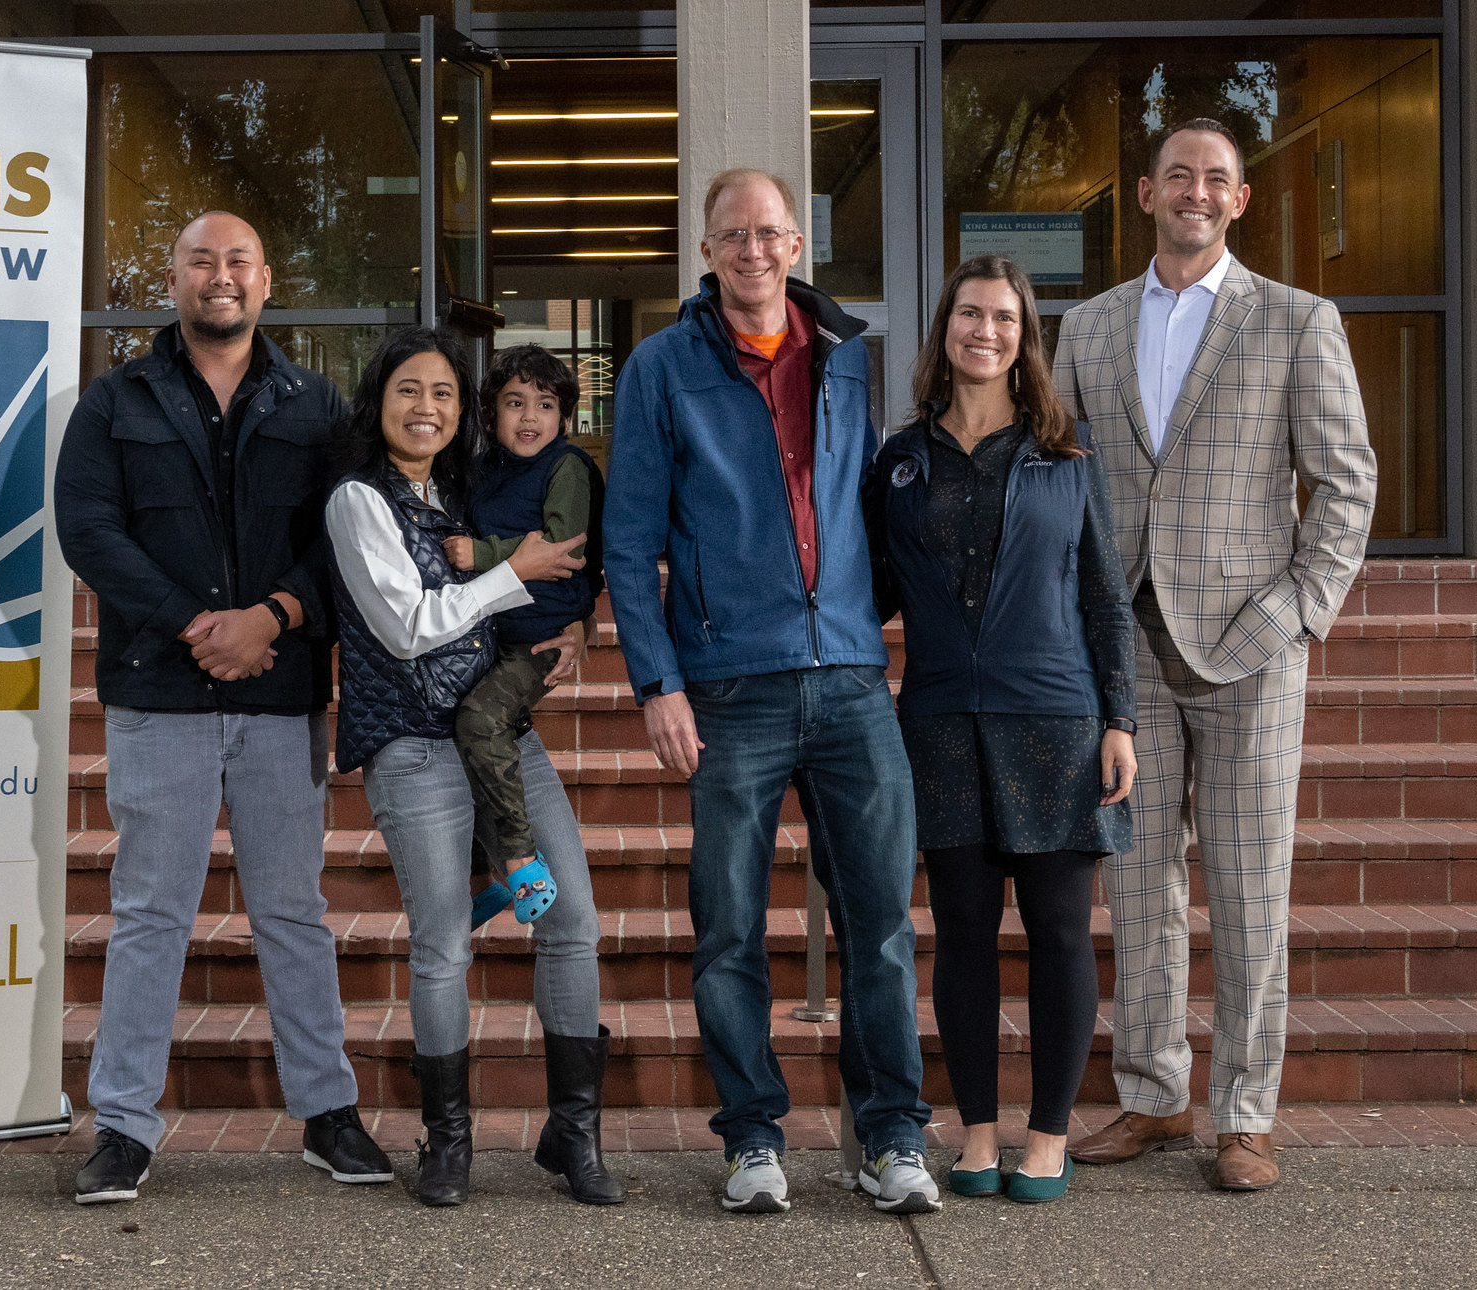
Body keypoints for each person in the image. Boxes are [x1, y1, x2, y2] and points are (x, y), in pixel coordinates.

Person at [605, 167, 939, 1215]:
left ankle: (889, 1138)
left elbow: (862, 506)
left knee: (880, 924)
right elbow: (628, 543)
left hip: (848, 680)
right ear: (704, 252)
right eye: (732, 235)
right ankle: (751, 1139)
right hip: (727, 686)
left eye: (769, 232)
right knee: (728, 933)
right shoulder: (661, 368)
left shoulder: (844, 358)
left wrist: (872, 619)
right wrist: (657, 682)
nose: (752, 250)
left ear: (797, 245)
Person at [1053, 119, 1377, 1191]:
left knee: (1246, 887)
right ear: (1146, 193)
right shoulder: (1087, 327)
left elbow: (1346, 483)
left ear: (1238, 200)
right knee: (1138, 883)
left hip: (1250, 645)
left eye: (1216, 179)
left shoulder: (1295, 320)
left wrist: (1299, 610)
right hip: (1122, 645)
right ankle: (1154, 1096)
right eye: (1177, 175)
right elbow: (1063, 477)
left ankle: (1244, 1116)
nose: (1195, 191)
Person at [53, 211, 392, 1204]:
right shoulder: (115, 401)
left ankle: (328, 1115)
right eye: (201, 260)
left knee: (292, 912)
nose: (220, 276)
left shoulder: (316, 405)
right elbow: (88, 529)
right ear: (174, 280)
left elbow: (347, 540)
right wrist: (199, 624)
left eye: (238, 260)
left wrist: (271, 618)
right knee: (149, 914)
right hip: (160, 693)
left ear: (266, 280)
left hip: (281, 695)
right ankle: (123, 1126)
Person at [324, 326, 621, 1208]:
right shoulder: (358, 501)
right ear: (379, 401)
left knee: (573, 921)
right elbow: (409, 627)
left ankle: (574, 1133)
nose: (427, 408)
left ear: (463, 412)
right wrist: (513, 569)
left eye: (444, 393)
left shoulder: (464, 491)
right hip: (413, 744)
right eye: (409, 390)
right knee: (444, 944)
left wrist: (574, 623)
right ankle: (447, 1140)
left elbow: (558, 572)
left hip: (501, 736)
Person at [866, 255, 1137, 1205]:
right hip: (941, 723)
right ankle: (977, 1133)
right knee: (963, 934)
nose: (985, 331)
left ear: (1025, 339)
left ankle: (1047, 1137)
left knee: (1060, 932)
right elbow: (868, 594)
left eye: (1005, 319)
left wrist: (1119, 717)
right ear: (945, 328)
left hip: (1055, 721)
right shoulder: (900, 460)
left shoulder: (1068, 454)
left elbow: (1105, 596)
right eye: (970, 315)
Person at [443, 343, 605, 926]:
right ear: (491, 415)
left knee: (480, 720)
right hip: (485, 629)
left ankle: (521, 859)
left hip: (538, 636)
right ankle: (485, 879)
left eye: (545, 404)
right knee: (462, 740)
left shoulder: (567, 468)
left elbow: (565, 550)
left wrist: (482, 553)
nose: (530, 417)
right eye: (515, 403)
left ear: (564, 416)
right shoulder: (482, 469)